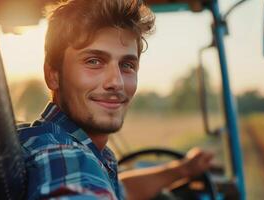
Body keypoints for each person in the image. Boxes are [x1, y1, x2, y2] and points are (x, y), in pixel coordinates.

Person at [18, 0, 213, 199]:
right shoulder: (60, 153)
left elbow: (123, 190)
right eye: (94, 61)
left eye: (127, 65)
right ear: (53, 75)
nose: (116, 82)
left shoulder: (84, 151)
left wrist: (183, 169)